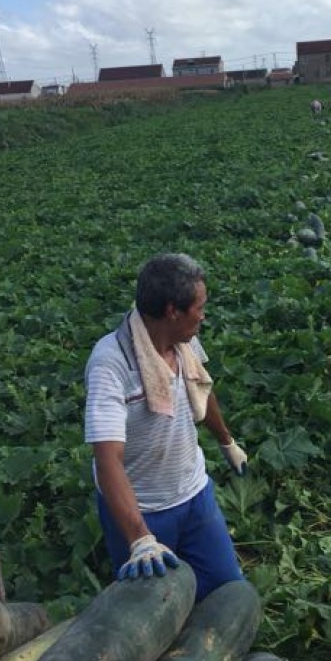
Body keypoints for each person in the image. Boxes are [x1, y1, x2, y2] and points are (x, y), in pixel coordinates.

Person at [84, 252, 247, 601]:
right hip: (142, 512)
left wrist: (226, 442)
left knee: (229, 592)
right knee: (154, 615)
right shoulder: (110, 364)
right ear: (173, 311)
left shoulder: (183, 340)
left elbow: (202, 388)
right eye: (199, 307)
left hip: (194, 496)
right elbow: (107, 458)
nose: (203, 315)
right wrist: (140, 539)